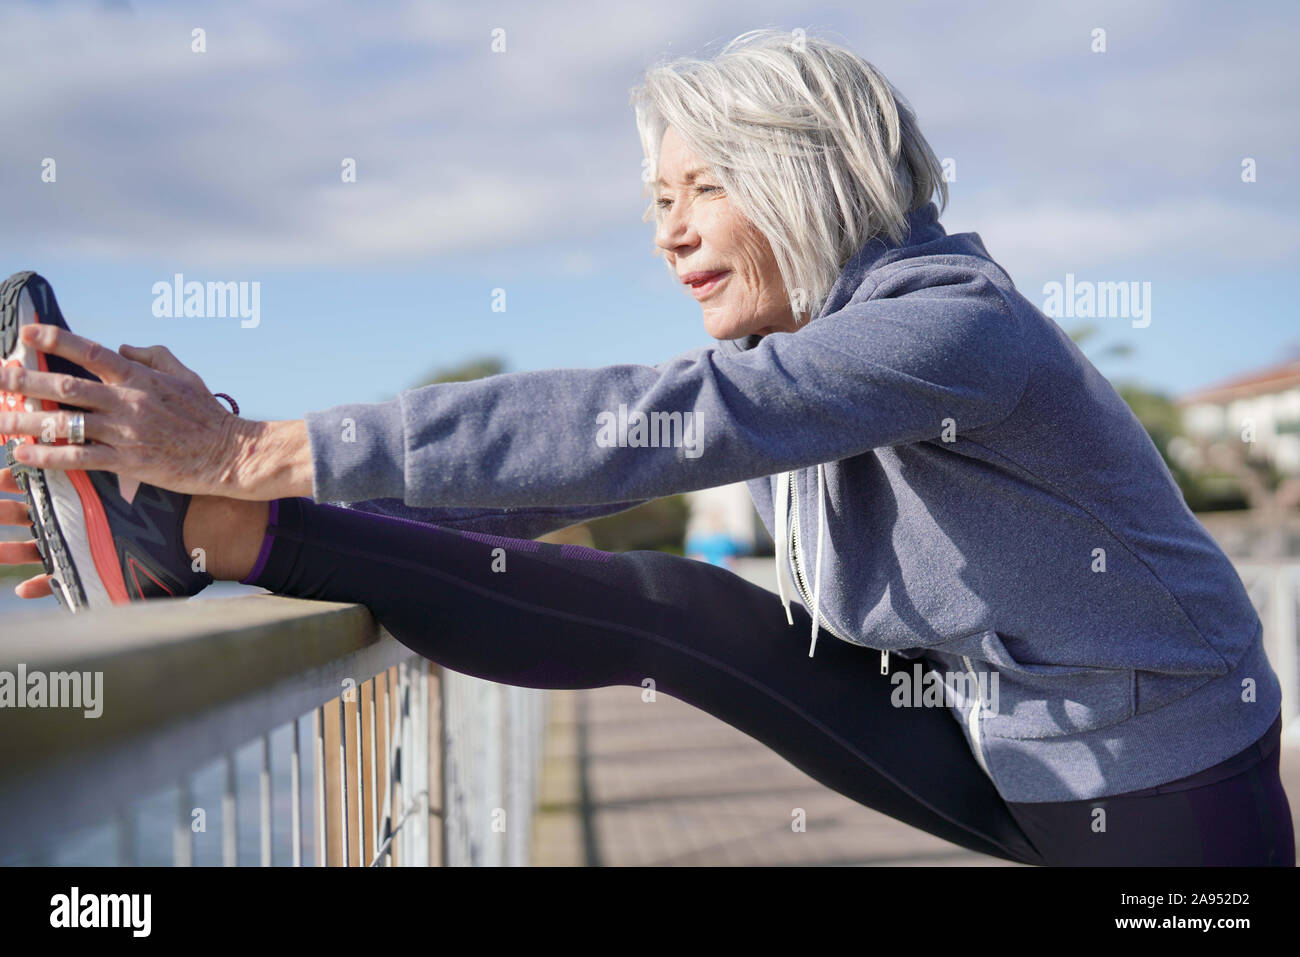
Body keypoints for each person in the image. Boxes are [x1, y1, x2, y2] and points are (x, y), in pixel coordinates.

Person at [0, 29, 1292, 866]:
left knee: (691, 606)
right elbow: (549, 483)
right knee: (686, 611)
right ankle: (212, 542)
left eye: (700, 189)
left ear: (817, 171)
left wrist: (246, 448)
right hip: (997, 733)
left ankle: (221, 519)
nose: (668, 233)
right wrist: (237, 525)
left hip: (1164, 791)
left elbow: (650, 425)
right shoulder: (832, 348)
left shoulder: (951, 329)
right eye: (655, 202)